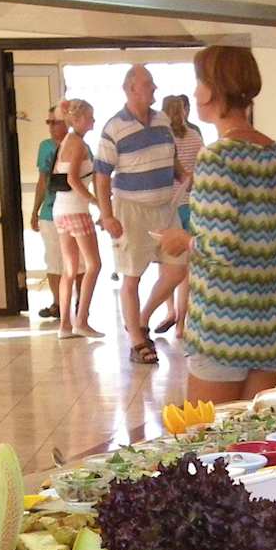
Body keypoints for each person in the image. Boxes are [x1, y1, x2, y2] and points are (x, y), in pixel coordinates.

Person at [154, 46, 276, 404]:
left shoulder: (216, 158)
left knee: (210, 436)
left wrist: (183, 240)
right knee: (255, 435)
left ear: (212, 89)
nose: (194, 93)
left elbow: (220, 248)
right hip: (268, 329)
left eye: (198, 82)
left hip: (219, 331)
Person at [94, 65, 178, 365]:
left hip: (166, 207)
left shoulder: (163, 119)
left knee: (177, 269)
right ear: (131, 89)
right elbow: (101, 176)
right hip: (131, 209)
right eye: (149, 83)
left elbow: (172, 157)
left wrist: (186, 175)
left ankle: (141, 320)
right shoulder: (114, 127)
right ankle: (136, 341)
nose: (154, 88)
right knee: (132, 276)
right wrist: (107, 215)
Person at [144, 94, 206, 341]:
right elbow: (201, 170)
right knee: (186, 270)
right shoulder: (195, 136)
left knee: (167, 266)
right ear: (183, 111)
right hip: (192, 205)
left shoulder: (161, 139)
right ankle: (182, 325)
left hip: (168, 206)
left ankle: (169, 311)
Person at [51, 99, 108, 341]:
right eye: (90, 117)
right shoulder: (78, 144)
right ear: (78, 119)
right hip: (76, 210)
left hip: (60, 210)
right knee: (94, 264)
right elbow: (73, 179)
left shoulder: (66, 141)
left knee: (70, 268)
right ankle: (81, 320)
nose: (93, 121)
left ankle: (65, 324)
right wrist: (96, 201)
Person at [31, 105, 68, 321]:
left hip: (72, 210)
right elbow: (42, 180)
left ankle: (78, 303)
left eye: (55, 122)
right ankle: (57, 303)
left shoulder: (78, 145)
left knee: (78, 261)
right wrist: (35, 211)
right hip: (49, 211)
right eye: (49, 122)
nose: (51, 127)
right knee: (53, 259)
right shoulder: (45, 147)